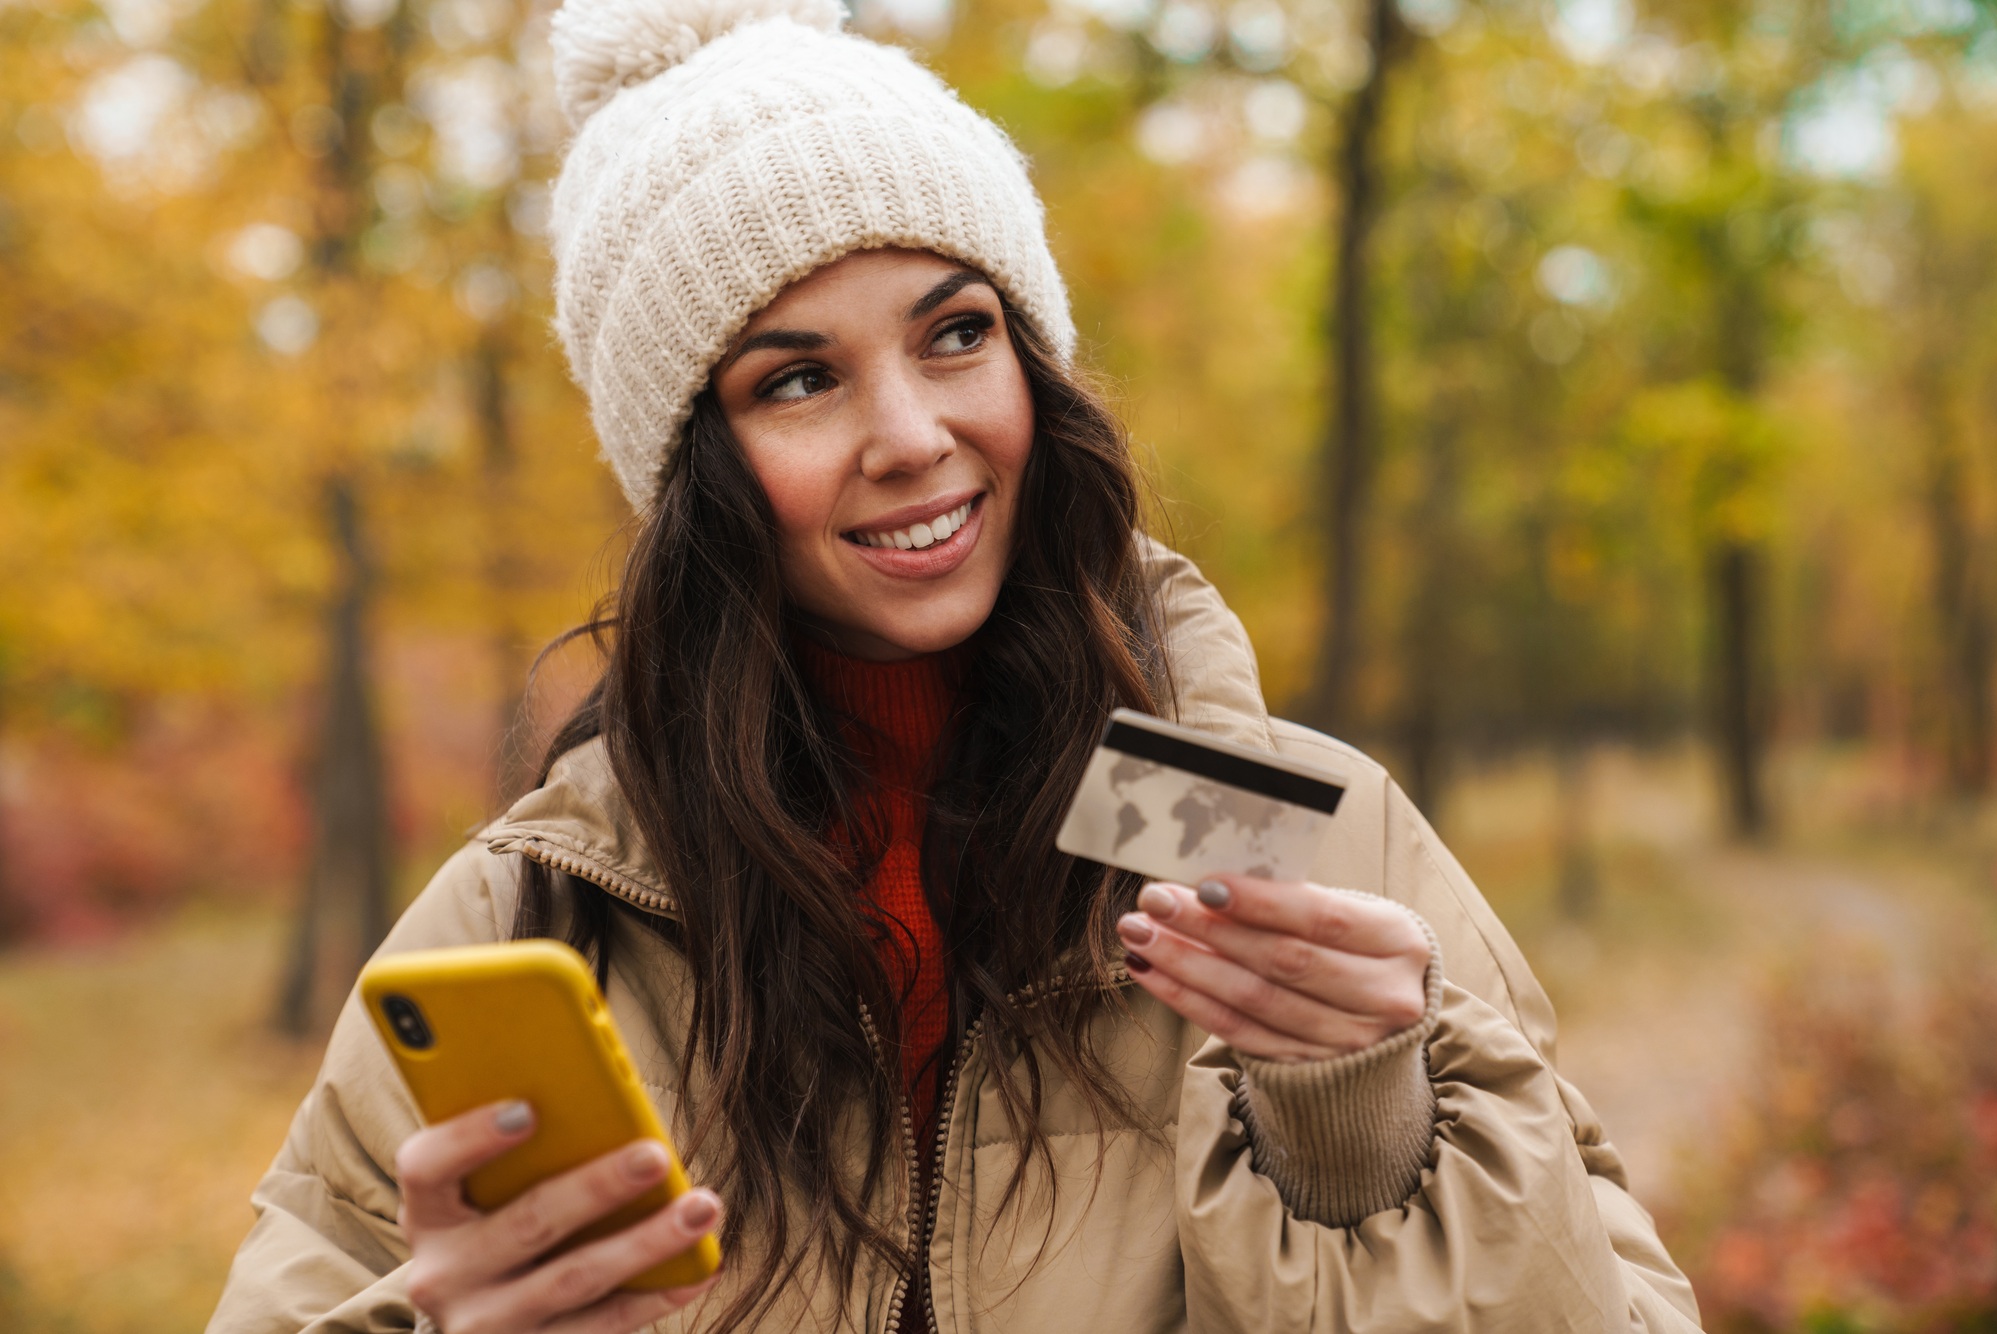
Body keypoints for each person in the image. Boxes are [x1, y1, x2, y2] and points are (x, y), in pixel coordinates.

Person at [207, 0, 1705, 1329]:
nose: (912, 433)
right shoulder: (535, 910)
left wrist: (1361, 1144)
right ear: (693, 471)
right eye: (797, 377)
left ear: (1033, 370)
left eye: (956, 333)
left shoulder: (1310, 838)